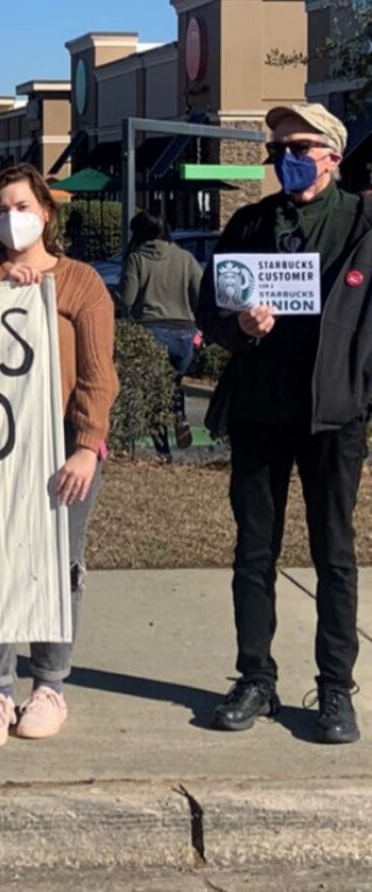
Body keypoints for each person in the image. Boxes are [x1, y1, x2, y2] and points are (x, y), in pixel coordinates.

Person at [197, 103, 372, 744]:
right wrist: (236, 327)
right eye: (277, 148)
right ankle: (255, 678)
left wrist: (360, 390)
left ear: (331, 152)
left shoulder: (362, 224)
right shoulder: (248, 224)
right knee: (254, 554)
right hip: (257, 411)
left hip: (333, 418)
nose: (284, 157)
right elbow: (210, 307)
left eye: (297, 145)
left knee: (335, 556)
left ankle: (334, 690)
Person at [0, 162, 119, 747]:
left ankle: (49, 685)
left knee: (61, 565)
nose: (9, 218)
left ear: (46, 212)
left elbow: (98, 374)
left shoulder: (80, 283)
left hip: (63, 448)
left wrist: (88, 446)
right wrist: (0, 296)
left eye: (20, 206)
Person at [114, 210, 202, 457]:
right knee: (174, 384)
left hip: (151, 330)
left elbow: (127, 297)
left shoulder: (137, 259)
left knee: (155, 394)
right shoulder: (186, 258)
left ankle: (163, 452)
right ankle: (180, 416)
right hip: (185, 334)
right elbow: (200, 295)